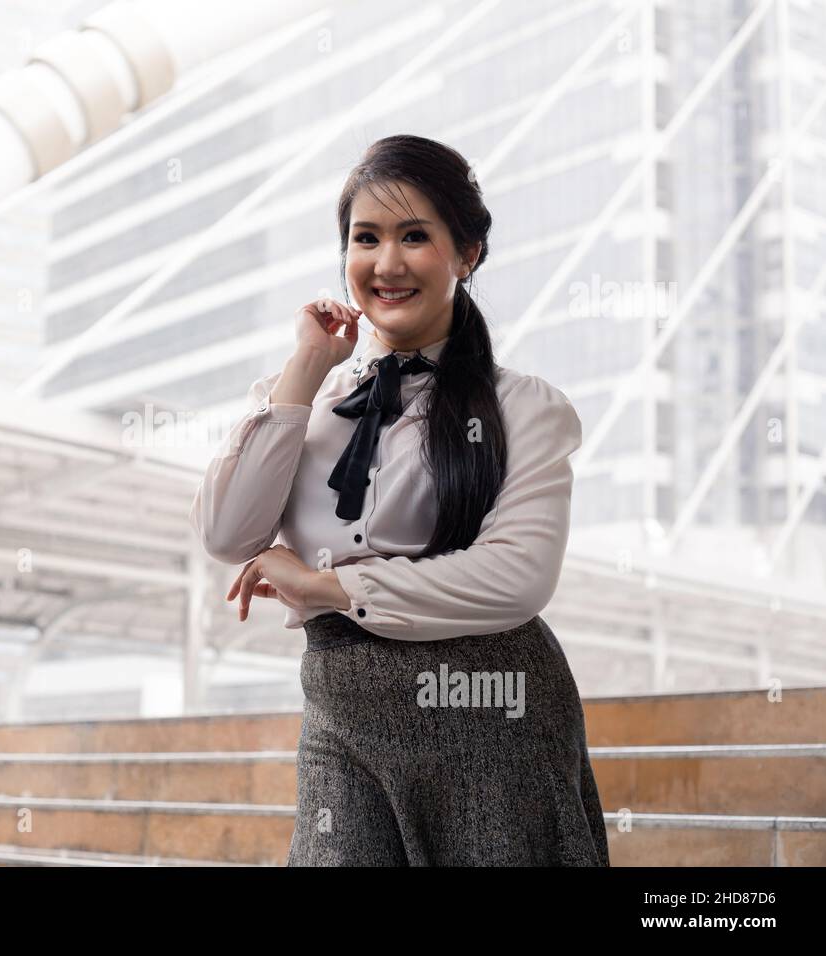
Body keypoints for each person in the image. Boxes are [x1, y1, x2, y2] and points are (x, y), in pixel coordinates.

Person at [188, 134, 611, 866]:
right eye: (366, 238)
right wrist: (306, 364)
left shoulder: (525, 408)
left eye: (415, 236)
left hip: (488, 710)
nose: (386, 264)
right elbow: (227, 531)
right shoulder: (308, 397)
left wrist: (329, 584)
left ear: (467, 252)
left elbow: (517, 578)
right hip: (341, 708)